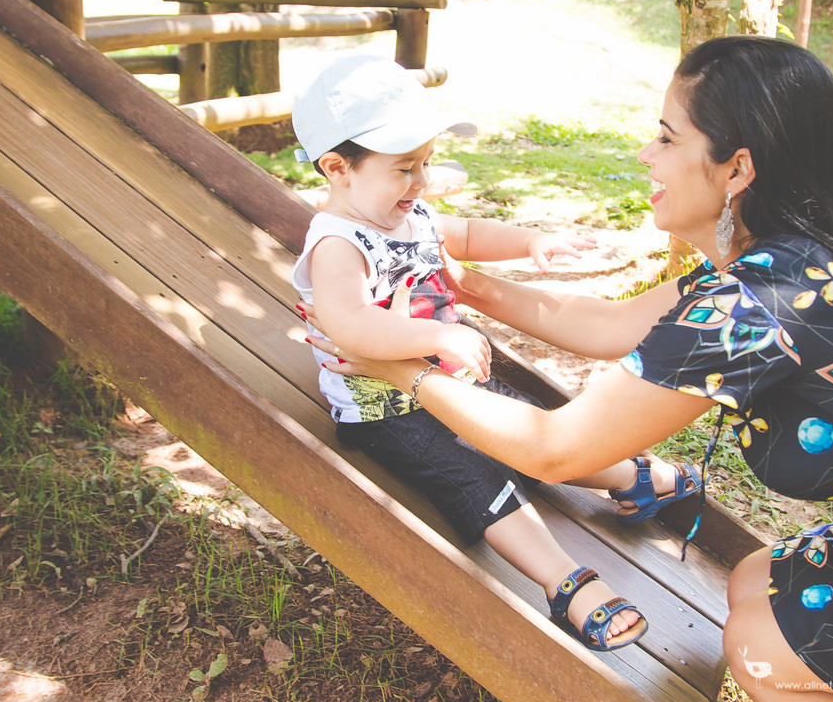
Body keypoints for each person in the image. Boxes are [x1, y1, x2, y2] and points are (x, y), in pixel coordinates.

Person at [307, 36, 833, 702]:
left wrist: (398, 370)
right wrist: (462, 285)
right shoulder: (792, 259)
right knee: (754, 580)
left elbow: (556, 448)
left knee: (757, 644)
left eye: (666, 138)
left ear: (737, 169)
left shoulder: (757, 306)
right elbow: (608, 325)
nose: (646, 155)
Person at [290, 54, 703, 652]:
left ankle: (632, 478)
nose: (422, 184)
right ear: (338, 168)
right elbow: (350, 326)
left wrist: (532, 240)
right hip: (389, 413)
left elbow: (465, 235)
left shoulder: (407, 213)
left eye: (426, 164)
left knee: (529, 434)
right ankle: (566, 582)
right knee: (479, 474)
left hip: (453, 384)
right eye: (405, 169)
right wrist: (434, 336)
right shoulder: (336, 244)